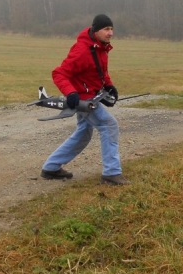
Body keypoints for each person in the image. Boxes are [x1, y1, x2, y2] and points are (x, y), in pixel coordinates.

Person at [40, 14, 129, 185]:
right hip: (83, 99)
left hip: (91, 96)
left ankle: (51, 167)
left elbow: (99, 72)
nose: (110, 33)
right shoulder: (82, 50)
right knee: (109, 125)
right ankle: (111, 173)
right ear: (96, 31)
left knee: (83, 134)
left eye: (111, 29)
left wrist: (109, 86)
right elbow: (59, 73)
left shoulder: (100, 47)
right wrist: (71, 93)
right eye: (106, 29)